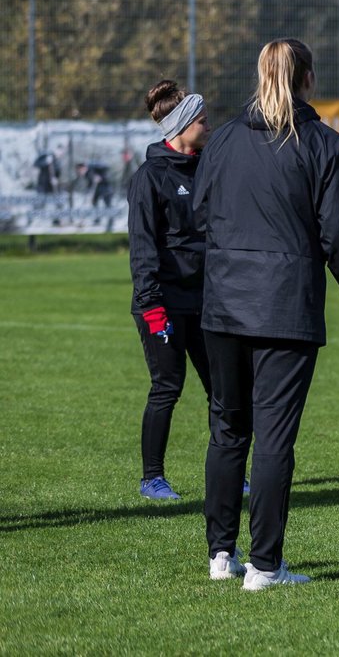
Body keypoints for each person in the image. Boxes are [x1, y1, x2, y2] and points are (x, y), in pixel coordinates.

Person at [194, 38, 339, 590]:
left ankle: (221, 557)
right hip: (283, 307)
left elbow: (201, 212)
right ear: (308, 79)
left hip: (223, 306)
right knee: (273, 437)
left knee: (228, 430)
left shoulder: (224, 140)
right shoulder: (324, 145)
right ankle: (265, 567)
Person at [128, 80, 213, 501]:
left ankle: (229, 471)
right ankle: (152, 479)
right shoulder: (150, 177)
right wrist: (151, 306)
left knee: (223, 388)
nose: (208, 125)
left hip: (206, 302)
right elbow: (143, 248)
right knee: (168, 386)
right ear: (182, 126)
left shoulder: (207, 168)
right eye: (201, 120)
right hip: (161, 303)